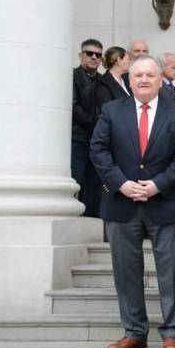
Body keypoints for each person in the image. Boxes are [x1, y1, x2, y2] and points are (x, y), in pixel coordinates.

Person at [90, 55, 175, 348]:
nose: (144, 80)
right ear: (129, 79)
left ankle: (171, 332)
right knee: (126, 272)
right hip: (121, 204)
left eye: (150, 75)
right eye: (138, 75)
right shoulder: (111, 110)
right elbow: (98, 150)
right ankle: (134, 331)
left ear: (160, 79)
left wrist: (158, 184)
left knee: (169, 272)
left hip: (164, 203)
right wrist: (121, 183)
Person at [72, 38, 103, 218]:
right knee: (77, 181)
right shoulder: (74, 76)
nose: (94, 57)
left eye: (98, 55)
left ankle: (92, 221)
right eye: (89, 53)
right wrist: (94, 125)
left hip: (97, 141)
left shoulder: (102, 81)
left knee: (95, 183)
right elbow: (74, 107)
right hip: (79, 138)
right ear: (80, 55)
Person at [95, 47, 131, 116]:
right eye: (128, 59)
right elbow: (107, 112)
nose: (130, 62)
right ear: (119, 61)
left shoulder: (127, 80)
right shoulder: (103, 83)